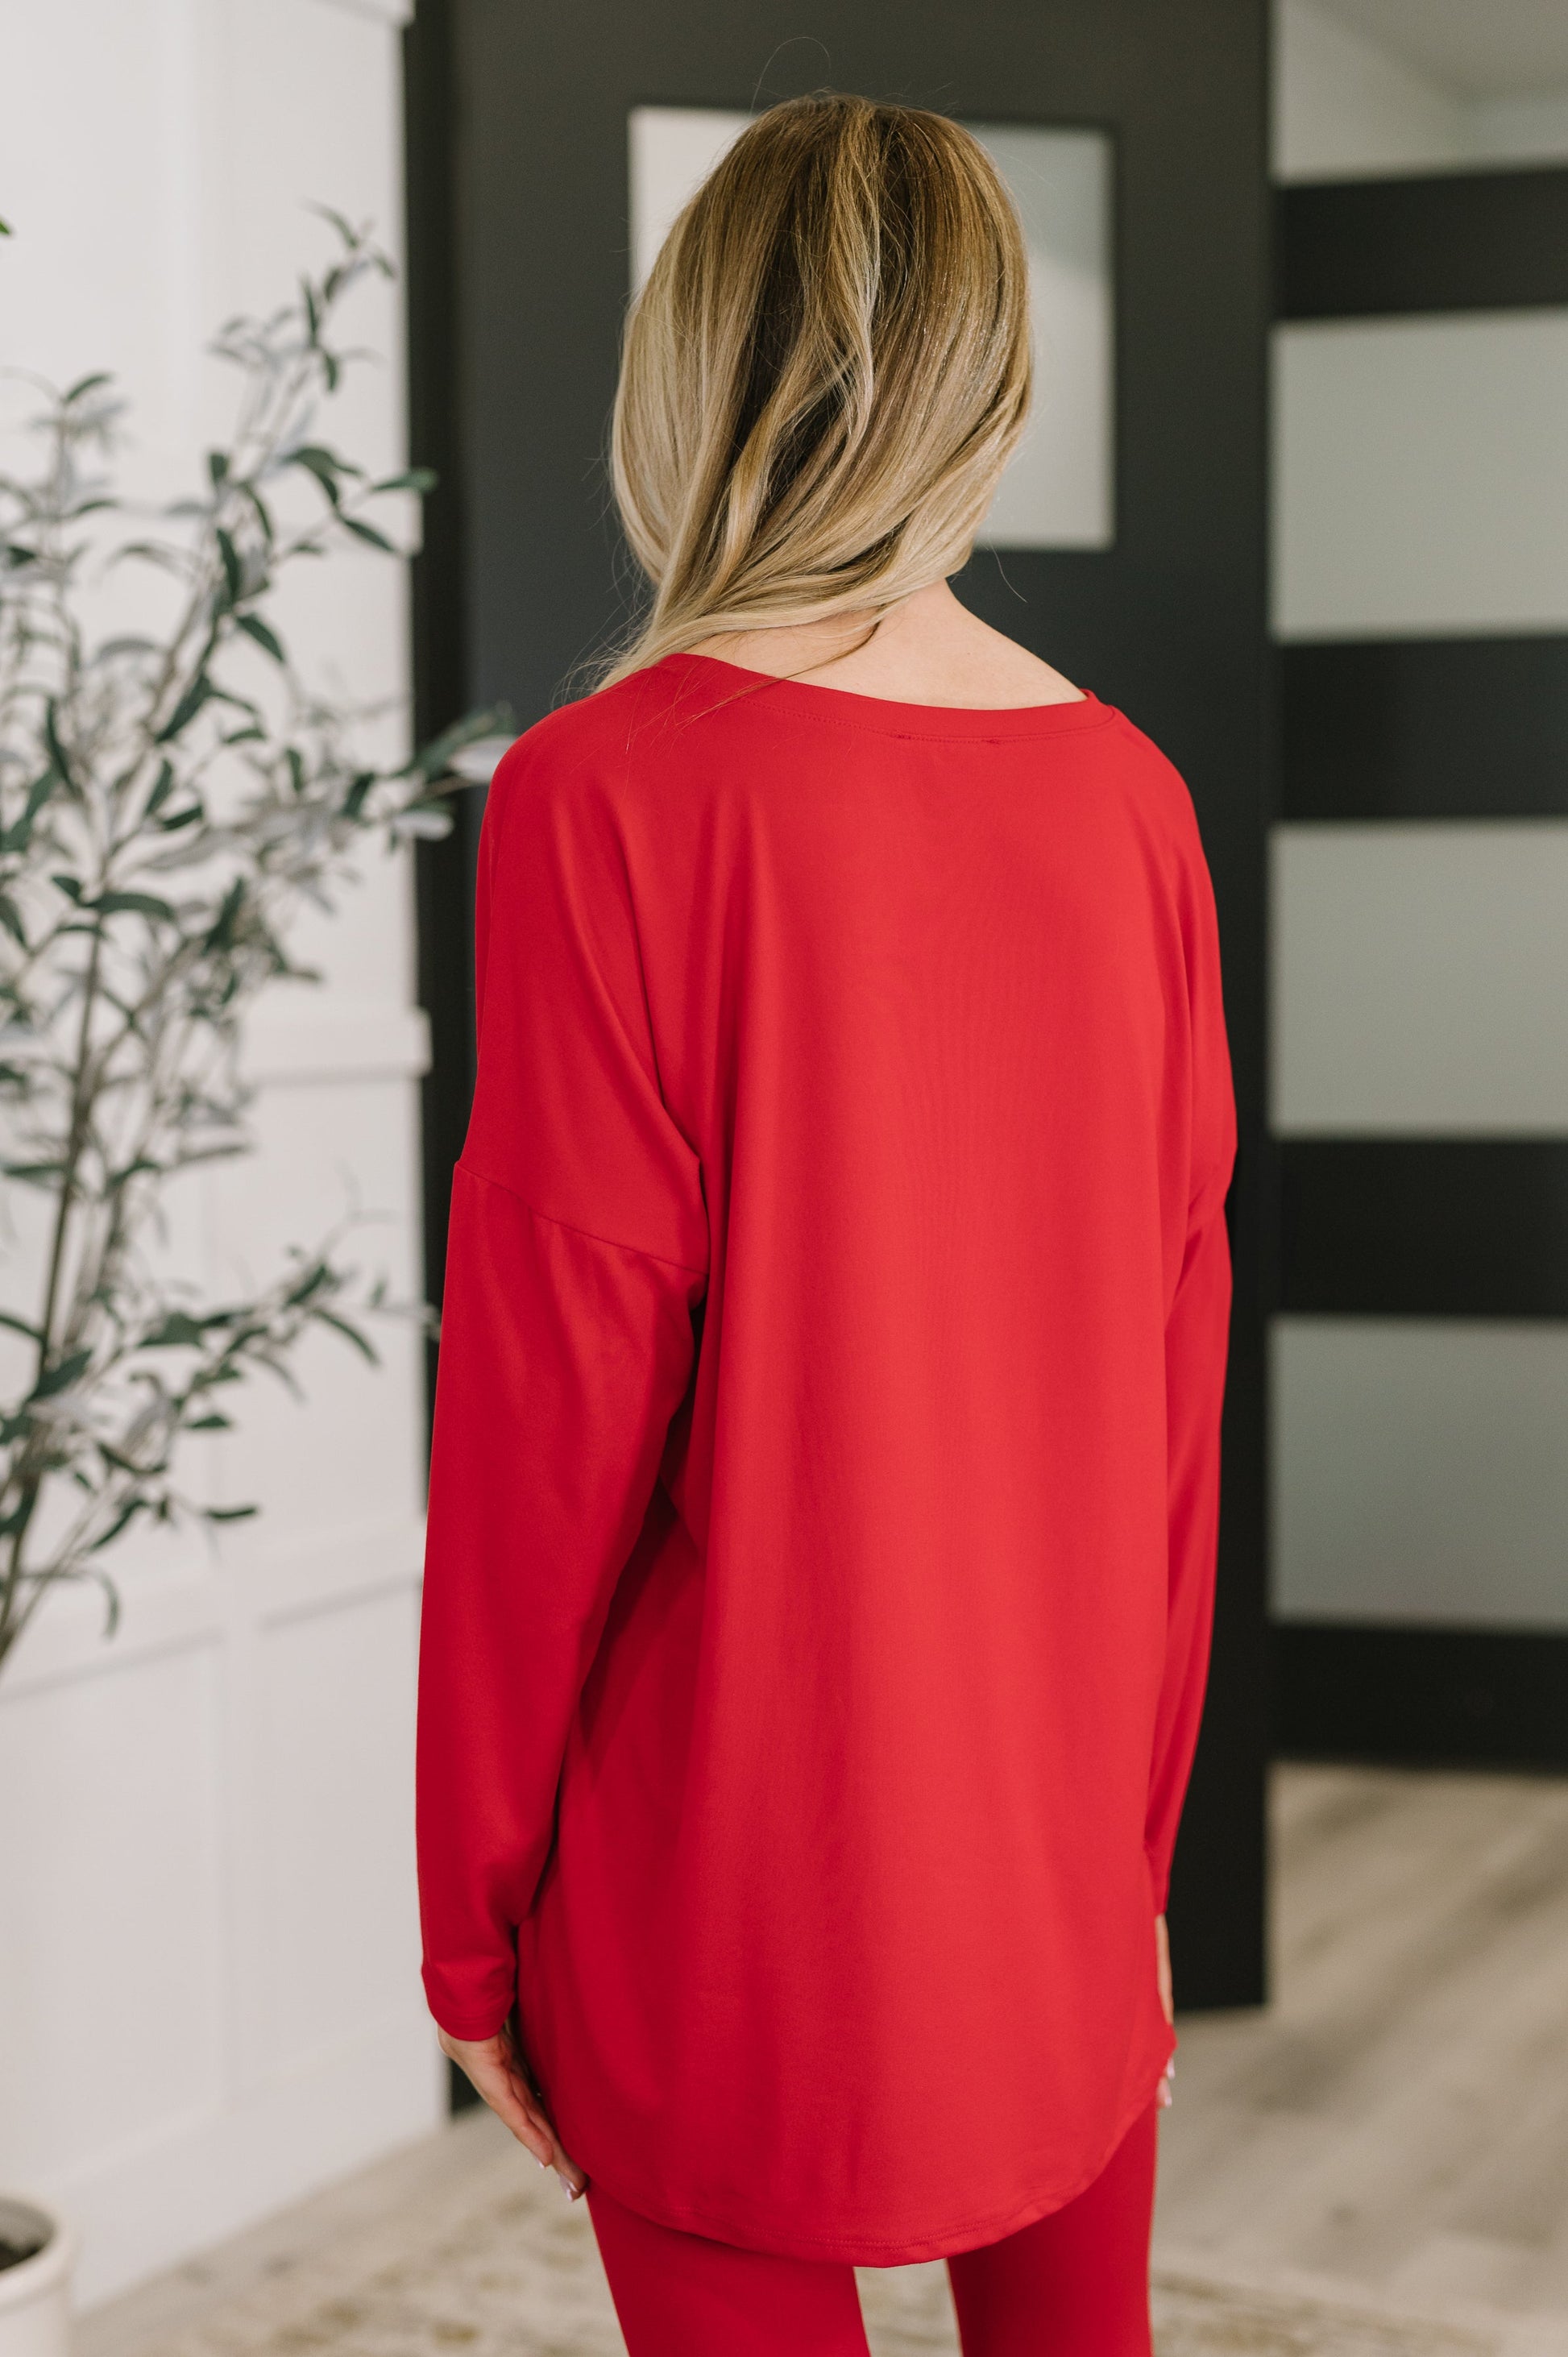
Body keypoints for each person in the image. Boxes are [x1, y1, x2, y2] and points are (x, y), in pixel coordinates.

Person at [415, 90, 1234, 2357]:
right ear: (995, 387)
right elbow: (1173, 1392)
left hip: (723, 1885)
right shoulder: (1133, 802)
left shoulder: (605, 795)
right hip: (1049, 1845)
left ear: (685, 371)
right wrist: (1129, 1849)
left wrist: (472, 1918)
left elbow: (546, 1411)